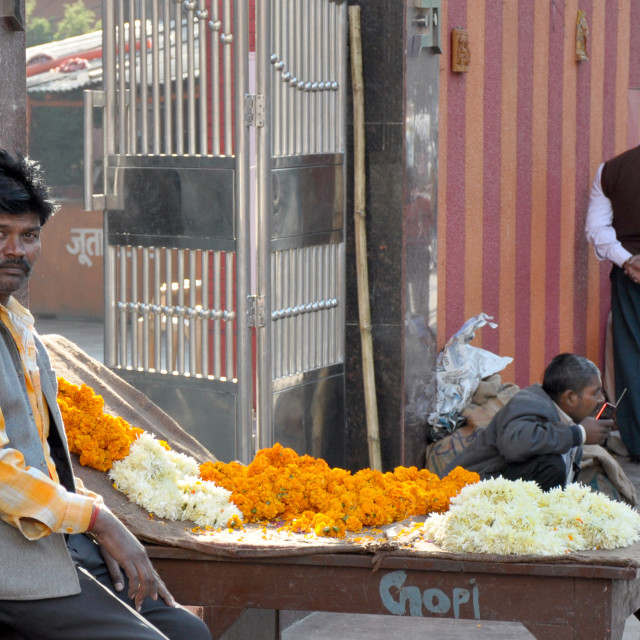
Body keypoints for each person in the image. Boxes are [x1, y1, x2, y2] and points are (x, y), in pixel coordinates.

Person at [0, 149, 212, 640]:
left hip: (59, 545)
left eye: (28, 235)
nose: (16, 250)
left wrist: (94, 517)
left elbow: (44, 458)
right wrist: (99, 519)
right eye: (1, 234)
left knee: (188, 632)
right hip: (14, 565)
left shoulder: (19, 325)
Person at [444, 353, 612, 491]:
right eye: (595, 393)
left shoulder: (570, 422)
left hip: (496, 488)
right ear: (570, 398)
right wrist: (579, 434)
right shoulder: (530, 402)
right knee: (551, 466)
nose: (601, 399)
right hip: (467, 489)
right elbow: (515, 445)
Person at [585, 145, 640, 462]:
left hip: (631, 277)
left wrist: (628, 261)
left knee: (632, 357)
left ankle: (638, 443)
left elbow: (597, 228)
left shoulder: (611, 170)